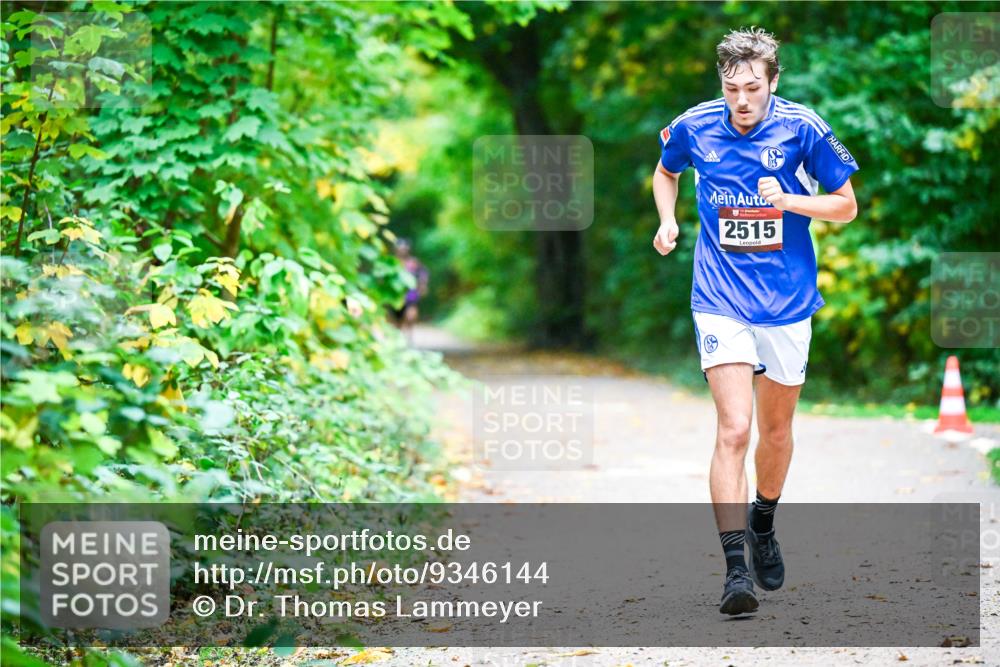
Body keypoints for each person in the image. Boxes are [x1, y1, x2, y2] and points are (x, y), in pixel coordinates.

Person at [651, 27, 859, 615]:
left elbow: (846, 204)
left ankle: (763, 519)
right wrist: (667, 220)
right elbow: (665, 170)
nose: (741, 100)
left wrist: (789, 200)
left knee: (774, 432)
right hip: (719, 295)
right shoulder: (695, 124)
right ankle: (735, 570)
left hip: (788, 301)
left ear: (772, 83)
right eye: (730, 88)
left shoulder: (804, 128)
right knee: (734, 429)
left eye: (751, 88)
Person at [390, 238, 429, 340]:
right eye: (400, 248)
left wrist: (423, 285)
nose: (402, 250)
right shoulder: (391, 262)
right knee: (397, 322)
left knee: (411, 316)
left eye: (405, 248)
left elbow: (423, 273)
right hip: (395, 296)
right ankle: (397, 341)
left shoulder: (414, 262)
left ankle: (408, 339)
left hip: (411, 295)